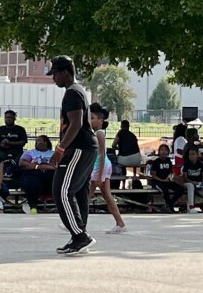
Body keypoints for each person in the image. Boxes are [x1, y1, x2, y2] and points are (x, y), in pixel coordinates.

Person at [47, 55, 98, 256]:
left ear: (65, 73)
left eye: (55, 74)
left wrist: (60, 149)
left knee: (61, 190)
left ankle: (80, 236)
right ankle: (79, 235)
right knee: (78, 192)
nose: (53, 79)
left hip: (78, 148)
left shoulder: (72, 93)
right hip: (85, 148)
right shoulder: (77, 91)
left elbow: (75, 124)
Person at [88, 103, 126, 234]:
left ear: (100, 120)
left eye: (92, 118)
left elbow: (103, 154)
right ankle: (120, 223)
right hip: (101, 166)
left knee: (87, 195)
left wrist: (99, 176)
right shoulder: (96, 133)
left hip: (100, 166)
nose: (90, 120)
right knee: (107, 195)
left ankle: (76, 222)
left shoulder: (99, 133)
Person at [18, 135, 56, 213]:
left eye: (38, 141)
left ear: (45, 142)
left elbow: (58, 166)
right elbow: (22, 163)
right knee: (31, 181)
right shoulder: (30, 153)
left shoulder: (54, 154)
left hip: (50, 175)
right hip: (34, 173)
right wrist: (38, 166)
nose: (36, 143)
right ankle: (33, 207)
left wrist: (46, 167)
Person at [147, 144, 184, 213]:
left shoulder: (168, 161)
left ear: (168, 152)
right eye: (162, 150)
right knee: (165, 191)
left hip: (167, 181)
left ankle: (169, 204)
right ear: (159, 152)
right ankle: (169, 206)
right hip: (157, 182)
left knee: (180, 189)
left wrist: (174, 177)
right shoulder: (156, 162)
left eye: (165, 150)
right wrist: (162, 180)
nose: (163, 152)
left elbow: (171, 172)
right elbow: (153, 175)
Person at [180, 145, 203, 213]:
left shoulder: (201, 165)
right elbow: (185, 178)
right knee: (190, 186)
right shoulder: (186, 165)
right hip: (188, 183)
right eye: (190, 154)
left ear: (197, 155)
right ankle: (191, 207)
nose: (191, 156)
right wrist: (193, 182)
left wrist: (202, 184)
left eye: (193, 154)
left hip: (198, 184)